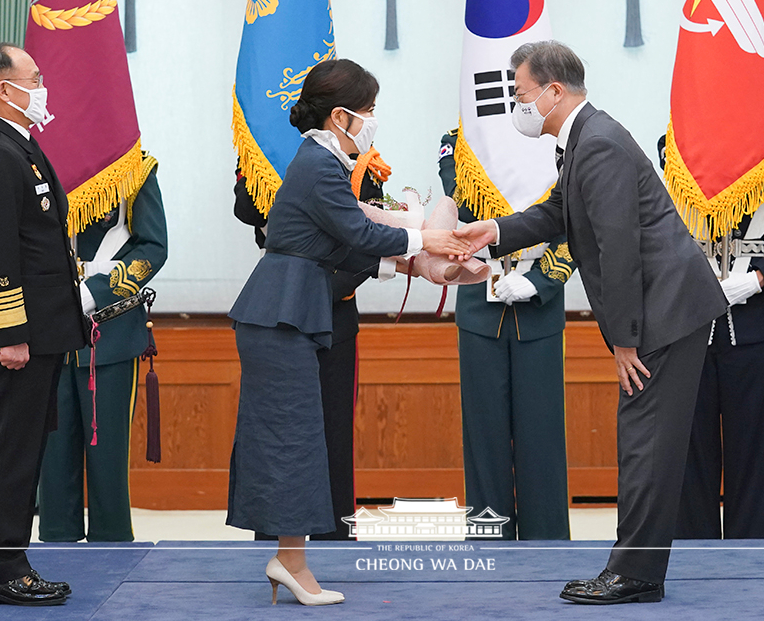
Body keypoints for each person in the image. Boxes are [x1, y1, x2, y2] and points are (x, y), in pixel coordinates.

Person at [454, 40, 725, 604]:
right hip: (662, 305)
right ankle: (636, 569)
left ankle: (636, 575)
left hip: (664, 310)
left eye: (521, 92)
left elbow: (618, 247)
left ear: (554, 91)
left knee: (645, 442)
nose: (516, 103)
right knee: (643, 440)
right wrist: (494, 231)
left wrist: (624, 342)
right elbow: (558, 213)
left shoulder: (596, 143)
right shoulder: (585, 137)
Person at [226, 59, 469, 606]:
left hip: (292, 307)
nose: (372, 121)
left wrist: (415, 247)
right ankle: (290, 562)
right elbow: (358, 231)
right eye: (368, 112)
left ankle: (289, 560)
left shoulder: (323, 161)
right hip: (281, 312)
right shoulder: (319, 163)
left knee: (300, 439)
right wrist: (426, 242)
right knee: (293, 439)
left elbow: (342, 241)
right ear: (340, 116)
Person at [0, 43, 87, 606]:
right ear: (2, 90)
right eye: (32, 78)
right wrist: (10, 336)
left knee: (25, 447)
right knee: (11, 450)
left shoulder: (21, 148)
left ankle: (10, 559)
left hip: (43, 332)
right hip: (22, 339)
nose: (42, 86)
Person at [233, 141, 391, 542]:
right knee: (278, 433)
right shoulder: (266, 143)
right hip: (286, 307)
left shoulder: (358, 157)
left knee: (332, 434)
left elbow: (366, 235)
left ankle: (333, 539)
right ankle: (276, 541)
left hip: (335, 309)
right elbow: (246, 209)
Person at [658, 136, 764, 540]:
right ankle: (694, 553)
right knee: (692, 453)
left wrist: (757, 280)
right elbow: (661, 231)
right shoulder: (672, 147)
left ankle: (752, 557)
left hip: (752, 322)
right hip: (689, 320)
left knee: (750, 453)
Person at [438, 128, 573, 541]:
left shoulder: (557, 142)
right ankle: (487, 544)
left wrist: (544, 280)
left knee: (542, 438)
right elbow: (459, 193)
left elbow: (573, 219)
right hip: (481, 298)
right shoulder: (461, 141)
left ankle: (548, 547)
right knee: (484, 440)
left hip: (539, 303)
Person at [38, 152, 167, 542]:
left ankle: (111, 549)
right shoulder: (37, 158)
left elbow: (152, 246)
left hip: (110, 328)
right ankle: (57, 541)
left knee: (107, 451)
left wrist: (96, 292)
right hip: (49, 322)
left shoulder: (135, 165)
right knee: (54, 453)